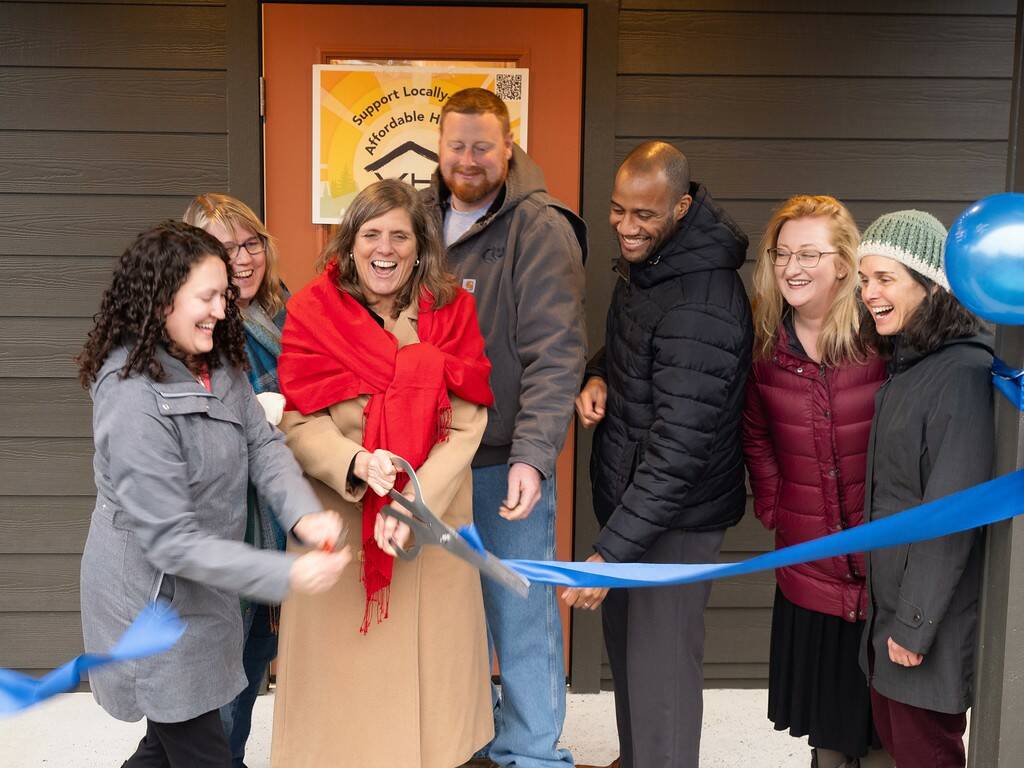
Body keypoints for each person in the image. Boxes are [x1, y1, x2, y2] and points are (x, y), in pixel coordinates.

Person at [76, 220, 350, 768]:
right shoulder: (130, 398)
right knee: (201, 748)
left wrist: (303, 515)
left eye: (223, 295)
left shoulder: (216, 363)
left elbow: (262, 443)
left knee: (164, 745)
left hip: (203, 597)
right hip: (153, 605)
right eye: (206, 297)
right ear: (160, 301)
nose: (223, 311)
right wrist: (285, 576)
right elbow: (172, 541)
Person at [270, 179, 495, 768]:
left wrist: (411, 504)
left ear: (421, 247)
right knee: (340, 710)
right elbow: (297, 421)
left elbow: (468, 426)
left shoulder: (453, 314)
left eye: (399, 235)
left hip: (429, 529)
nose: (384, 248)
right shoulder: (312, 313)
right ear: (350, 245)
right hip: (341, 526)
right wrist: (355, 462)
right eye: (371, 234)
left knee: (431, 716)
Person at [569, 141, 753, 768]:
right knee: (633, 660)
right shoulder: (653, 267)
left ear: (681, 205)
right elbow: (632, 351)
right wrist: (597, 376)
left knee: (663, 673)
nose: (625, 226)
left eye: (643, 215)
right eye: (618, 210)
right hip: (635, 507)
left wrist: (610, 551)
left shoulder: (702, 301)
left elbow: (681, 448)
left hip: (676, 519)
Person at [421, 88, 586, 768]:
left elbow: (557, 351)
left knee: (519, 613)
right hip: (429, 461)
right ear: (438, 146)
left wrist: (533, 457)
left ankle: (532, 752)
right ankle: (468, 738)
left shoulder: (538, 226)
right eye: (456, 145)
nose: (468, 160)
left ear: (508, 145)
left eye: (482, 146)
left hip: (501, 460)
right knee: (446, 615)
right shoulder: (418, 216)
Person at [742, 195, 889, 768]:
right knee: (829, 732)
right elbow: (755, 434)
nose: (792, 268)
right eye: (782, 254)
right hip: (810, 568)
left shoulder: (882, 338)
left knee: (885, 731)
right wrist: (776, 504)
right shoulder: (766, 347)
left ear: (846, 263)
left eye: (809, 253)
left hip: (882, 572)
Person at [856, 211, 992, 768]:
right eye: (864, 279)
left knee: (926, 755)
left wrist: (913, 627)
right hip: (891, 614)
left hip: (926, 624)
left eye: (885, 278)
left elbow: (950, 516)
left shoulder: (960, 374)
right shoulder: (907, 367)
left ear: (931, 285)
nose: (869, 293)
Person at [183, 193, 291, 768]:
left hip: (271, 525)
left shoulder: (288, 313)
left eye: (251, 243)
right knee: (210, 688)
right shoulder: (190, 325)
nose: (244, 259)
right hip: (220, 527)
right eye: (226, 249)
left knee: (250, 669)